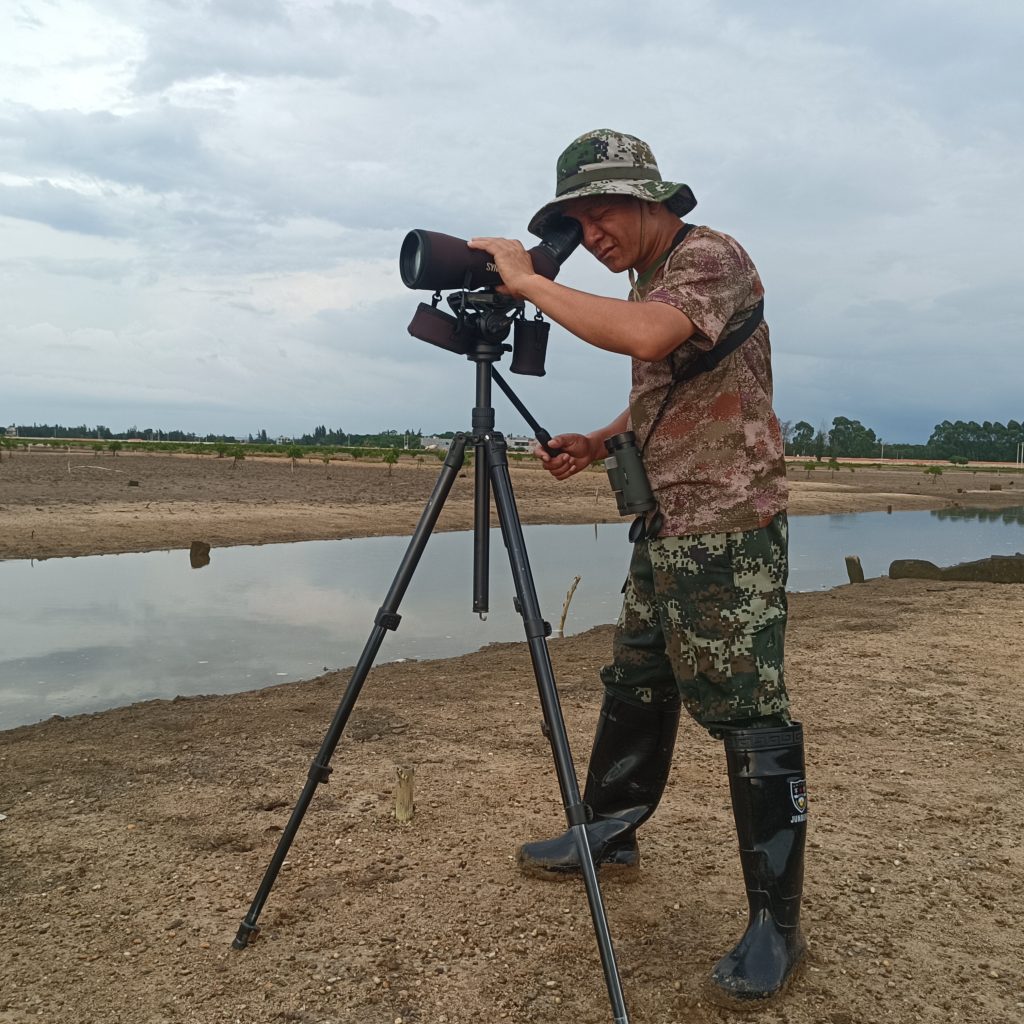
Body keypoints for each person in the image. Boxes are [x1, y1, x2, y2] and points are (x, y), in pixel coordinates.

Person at [468, 129, 808, 1006]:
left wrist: (529, 280)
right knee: (638, 678)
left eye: (603, 213)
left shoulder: (709, 258)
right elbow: (664, 381)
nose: (593, 235)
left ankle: (777, 924)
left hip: (725, 523)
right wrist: (600, 439)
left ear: (651, 198)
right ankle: (610, 833)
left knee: (747, 711)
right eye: (577, 223)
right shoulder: (649, 278)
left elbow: (652, 338)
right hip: (666, 518)